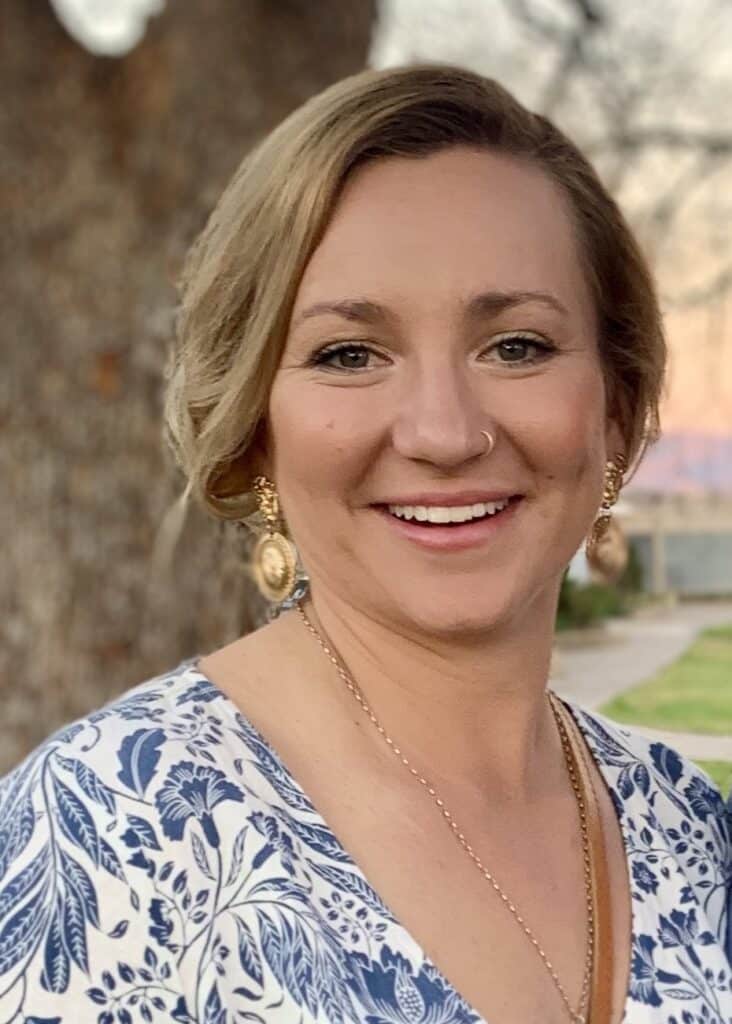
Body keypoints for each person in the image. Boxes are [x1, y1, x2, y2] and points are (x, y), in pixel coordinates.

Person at [0, 64, 729, 1024]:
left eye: (516, 345)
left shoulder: (694, 830)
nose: (444, 432)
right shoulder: (101, 831)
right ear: (256, 427)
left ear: (617, 410)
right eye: (349, 354)